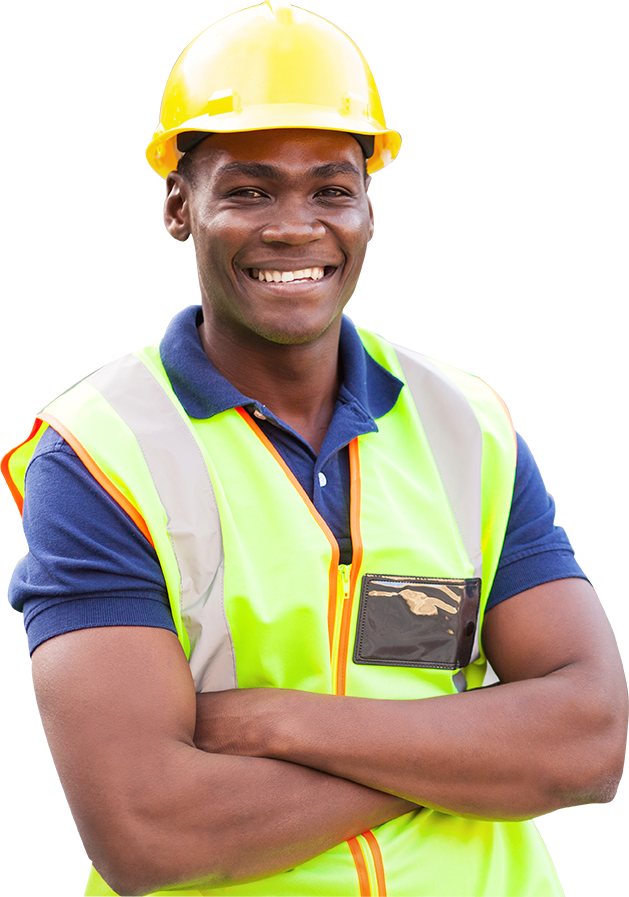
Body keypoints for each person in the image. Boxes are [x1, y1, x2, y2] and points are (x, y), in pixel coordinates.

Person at [6, 2, 627, 895]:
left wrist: (278, 722)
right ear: (180, 206)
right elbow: (148, 830)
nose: (295, 225)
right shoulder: (99, 455)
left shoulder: (467, 425)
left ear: (368, 207)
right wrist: (469, 752)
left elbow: (593, 739)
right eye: (249, 190)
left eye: (331, 188)